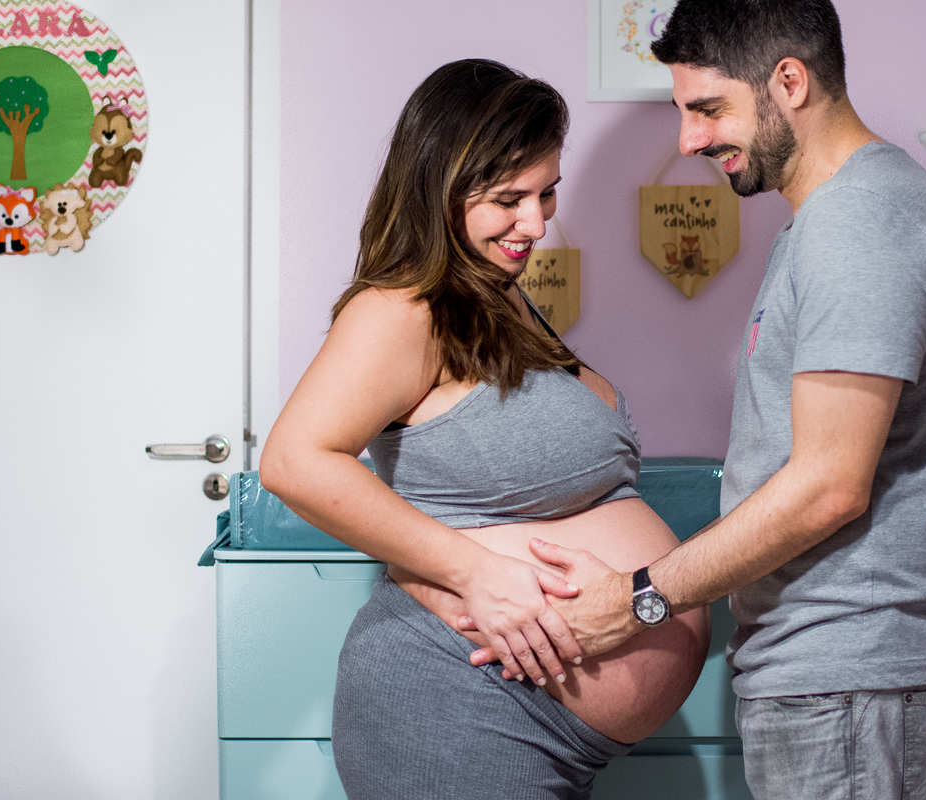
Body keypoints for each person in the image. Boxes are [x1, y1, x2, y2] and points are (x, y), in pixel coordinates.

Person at [480, 2, 926, 798]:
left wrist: (635, 601)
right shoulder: (846, 215)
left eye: (707, 107)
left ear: (788, 82)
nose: (689, 140)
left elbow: (828, 485)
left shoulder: (859, 222)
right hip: (848, 678)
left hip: (855, 675)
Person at [259, 58, 710, 799]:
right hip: (454, 705)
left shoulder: (500, 302)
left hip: (525, 723)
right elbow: (294, 461)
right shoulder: (404, 309)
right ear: (440, 189)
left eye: (548, 193)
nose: (536, 223)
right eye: (509, 199)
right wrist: (474, 573)